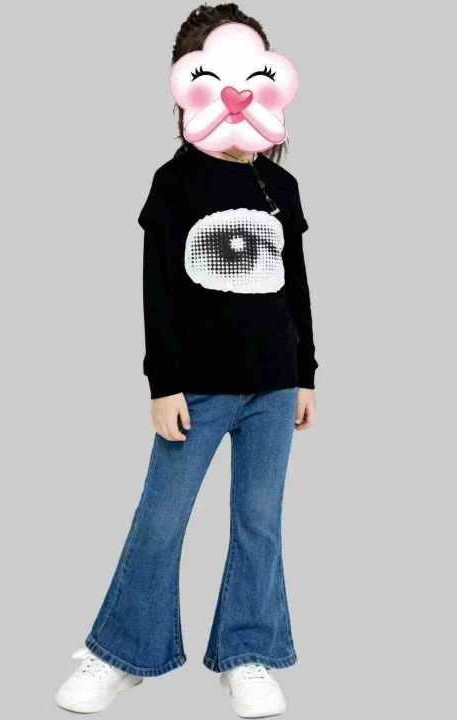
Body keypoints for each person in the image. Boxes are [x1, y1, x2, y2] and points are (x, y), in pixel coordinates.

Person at [56, 4, 317, 717]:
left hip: (272, 386)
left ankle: (248, 652)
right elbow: (159, 291)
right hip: (196, 388)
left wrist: (306, 374)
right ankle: (121, 653)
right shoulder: (175, 183)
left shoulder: (281, 188)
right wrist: (163, 384)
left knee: (259, 521)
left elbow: (295, 287)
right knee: (162, 519)